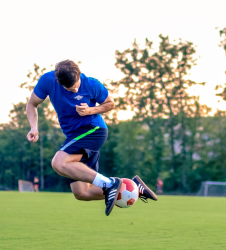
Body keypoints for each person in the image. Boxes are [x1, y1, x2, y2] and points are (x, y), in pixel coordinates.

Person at [26, 60, 157, 216]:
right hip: (75, 136)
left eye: (75, 86)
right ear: (57, 80)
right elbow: (32, 104)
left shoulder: (92, 84)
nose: (74, 91)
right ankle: (134, 188)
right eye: (69, 89)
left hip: (93, 130)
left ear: (79, 74)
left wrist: (90, 110)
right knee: (82, 193)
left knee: (58, 163)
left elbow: (110, 104)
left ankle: (110, 184)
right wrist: (34, 127)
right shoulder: (47, 80)